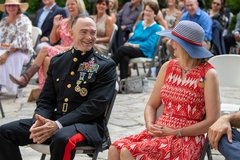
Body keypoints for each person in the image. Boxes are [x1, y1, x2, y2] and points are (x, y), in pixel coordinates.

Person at [0, 15, 117, 160]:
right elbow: (46, 100)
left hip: (87, 125)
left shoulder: (105, 65)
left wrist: (58, 124)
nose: (89, 37)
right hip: (54, 120)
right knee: (4, 132)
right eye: (84, 32)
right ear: (71, 33)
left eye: (92, 32)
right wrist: (41, 120)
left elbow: (94, 107)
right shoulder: (58, 61)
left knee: (62, 139)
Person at [108, 20, 220, 159]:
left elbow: (212, 120)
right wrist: (149, 124)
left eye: (175, 40)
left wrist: (177, 131)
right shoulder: (168, 67)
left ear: (185, 46)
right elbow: (151, 105)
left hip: (187, 138)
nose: (170, 43)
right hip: (161, 131)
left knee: (128, 152)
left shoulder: (208, 74)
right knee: (115, 148)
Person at [10, 0, 83, 90]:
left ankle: (26, 77)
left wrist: (63, 47)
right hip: (62, 51)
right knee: (46, 59)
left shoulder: (82, 22)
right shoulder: (64, 22)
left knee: (44, 48)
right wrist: (55, 25)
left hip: (74, 52)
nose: (70, 6)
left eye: (72, 4)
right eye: (68, 4)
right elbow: (52, 40)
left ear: (79, 5)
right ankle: (49, 89)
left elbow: (81, 44)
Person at [112, 1, 162, 80]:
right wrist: (129, 43)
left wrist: (133, 45)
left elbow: (149, 45)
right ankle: (123, 83)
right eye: (146, 10)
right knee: (124, 57)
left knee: (122, 49)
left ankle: (107, 68)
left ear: (155, 14)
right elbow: (132, 38)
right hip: (132, 50)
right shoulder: (140, 24)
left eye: (150, 11)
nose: (147, 13)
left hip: (145, 51)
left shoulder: (157, 28)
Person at [0, 0, 33, 94]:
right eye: (8, 5)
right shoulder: (3, 21)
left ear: (19, 7)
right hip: (3, 49)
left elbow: (21, 40)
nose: (11, 7)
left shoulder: (24, 20)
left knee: (5, 58)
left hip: (21, 51)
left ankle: (9, 85)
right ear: (5, 8)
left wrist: (7, 53)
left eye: (14, 5)